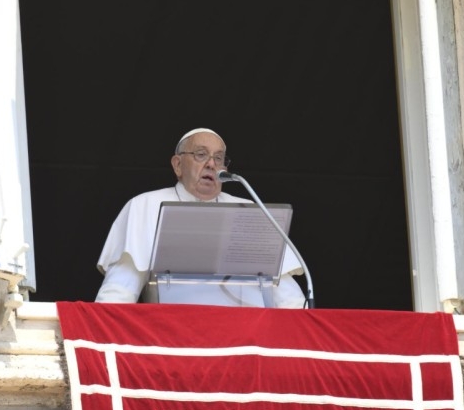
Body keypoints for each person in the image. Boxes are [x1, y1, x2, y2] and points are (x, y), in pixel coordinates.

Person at [95, 127, 306, 308]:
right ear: (178, 165)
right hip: (175, 335)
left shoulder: (250, 210)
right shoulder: (145, 205)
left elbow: (288, 297)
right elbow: (120, 290)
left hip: (249, 338)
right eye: (201, 155)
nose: (211, 164)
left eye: (219, 158)